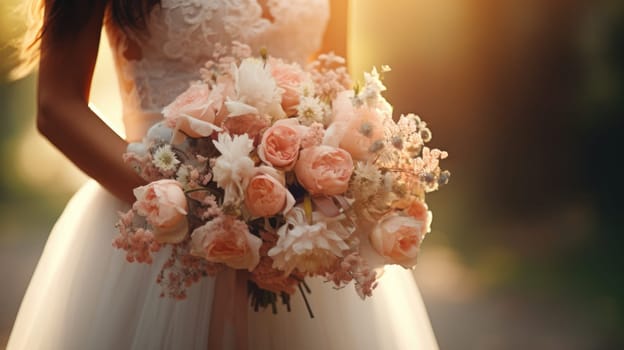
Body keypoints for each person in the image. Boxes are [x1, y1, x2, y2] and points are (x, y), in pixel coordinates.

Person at [7, 1, 439, 349]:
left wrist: (335, 187)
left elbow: (333, 83)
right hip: (159, 225)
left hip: (298, 230)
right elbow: (56, 105)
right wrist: (197, 206)